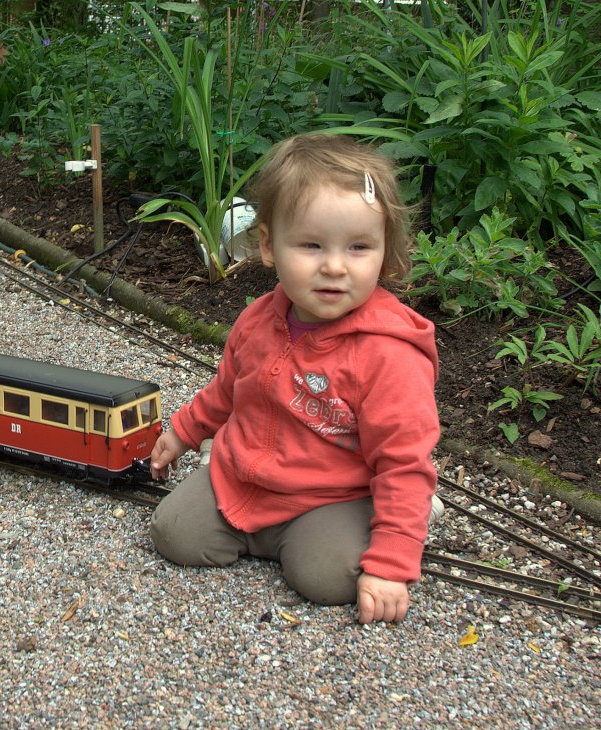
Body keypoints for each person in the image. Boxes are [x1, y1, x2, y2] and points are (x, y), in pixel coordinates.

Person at [149, 133, 440, 624]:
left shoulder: (389, 355)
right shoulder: (260, 320)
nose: (333, 266)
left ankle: (402, 519)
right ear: (267, 245)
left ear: (385, 251)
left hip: (333, 495)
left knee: (327, 579)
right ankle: (264, 531)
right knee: (173, 533)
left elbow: (403, 461)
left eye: (358, 247)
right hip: (245, 476)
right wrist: (184, 430)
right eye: (311, 244)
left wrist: (391, 563)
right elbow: (227, 389)